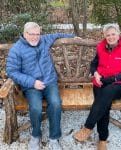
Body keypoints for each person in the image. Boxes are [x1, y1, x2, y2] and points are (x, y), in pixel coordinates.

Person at [6, 22, 77, 150]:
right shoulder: (16, 49)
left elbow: (57, 35)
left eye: (37, 34)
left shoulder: (44, 40)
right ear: (24, 33)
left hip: (49, 81)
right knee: (35, 108)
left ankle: (54, 138)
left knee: (55, 103)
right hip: (31, 85)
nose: (35, 37)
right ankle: (36, 135)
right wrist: (32, 82)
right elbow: (12, 71)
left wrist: (73, 36)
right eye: (32, 34)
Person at [73, 23, 121, 150]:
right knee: (104, 105)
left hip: (120, 84)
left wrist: (112, 79)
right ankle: (102, 139)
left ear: (119, 34)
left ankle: (88, 127)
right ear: (104, 36)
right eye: (108, 35)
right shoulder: (101, 47)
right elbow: (93, 64)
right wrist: (95, 74)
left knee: (107, 93)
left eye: (113, 34)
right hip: (100, 81)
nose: (111, 37)